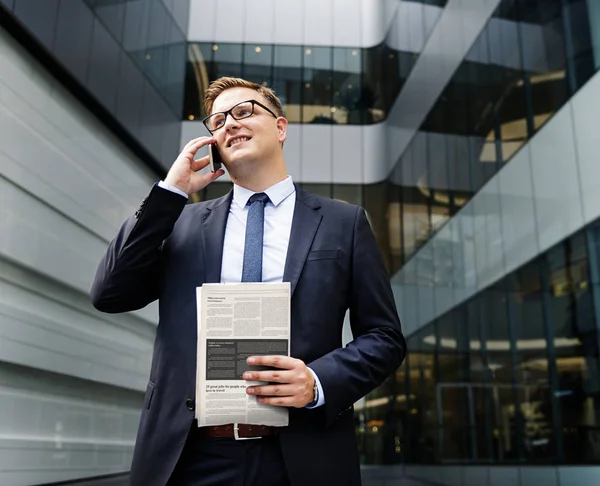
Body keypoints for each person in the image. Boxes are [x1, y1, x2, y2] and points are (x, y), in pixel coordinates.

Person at [90, 77, 406, 486]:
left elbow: (384, 337)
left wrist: (316, 381)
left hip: (301, 455)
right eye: (218, 121)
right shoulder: (181, 223)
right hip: (190, 457)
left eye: (244, 111)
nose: (229, 124)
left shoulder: (343, 223)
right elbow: (109, 293)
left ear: (280, 127)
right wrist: (171, 191)